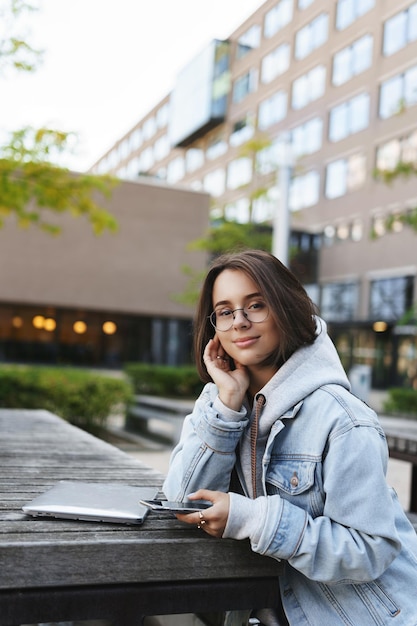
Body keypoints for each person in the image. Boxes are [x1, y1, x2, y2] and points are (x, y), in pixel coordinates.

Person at [163, 249, 417, 626]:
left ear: (286, 308)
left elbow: (370, 549)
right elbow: (183, 502)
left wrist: (254, 520)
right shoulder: (222, 400)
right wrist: (228, 406)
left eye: (256, 305)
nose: (240, 322)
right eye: (225, 311)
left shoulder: (343, 420)